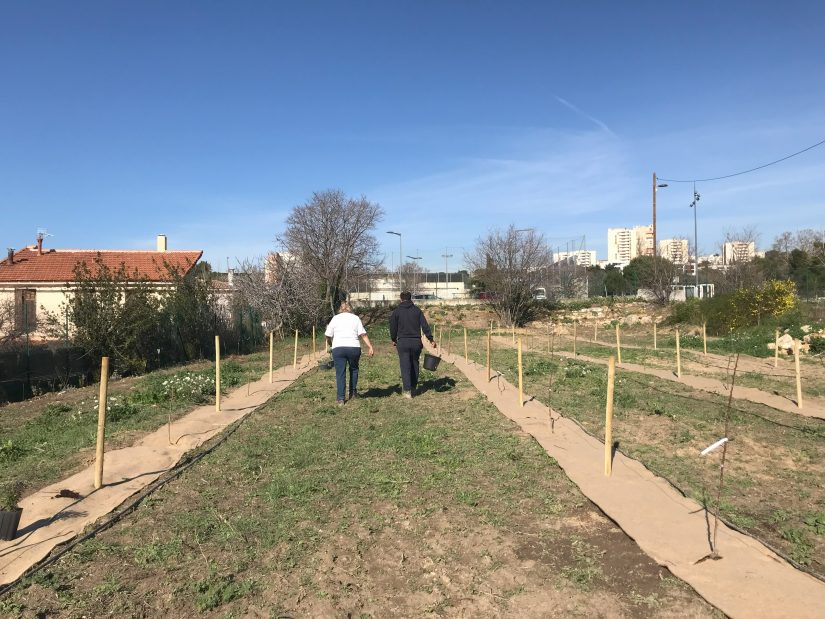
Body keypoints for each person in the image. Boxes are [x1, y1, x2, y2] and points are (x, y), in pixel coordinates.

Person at [324, 301, 374, 405]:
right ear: (349, 309)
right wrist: (370, 346)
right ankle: (353, 392)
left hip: (338, 348)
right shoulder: (355, 318)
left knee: (340, 373)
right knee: (354, 369)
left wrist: (330, 343)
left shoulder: (335, 318)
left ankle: (341, 399)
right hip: (353, 347)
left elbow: (328, 335)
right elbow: (363, 334)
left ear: (340, 309)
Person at [389, 291, 437, 398]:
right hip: (416, 342)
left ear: (401, 299)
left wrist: (393, 339)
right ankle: (413, 387)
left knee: (405, 365)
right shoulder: (417, 310)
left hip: (403, 342)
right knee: (415, 363)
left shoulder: (397, 311)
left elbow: (393, 327)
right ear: (411, 298)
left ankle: (407, 391)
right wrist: (430, 339)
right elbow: (425, 326)